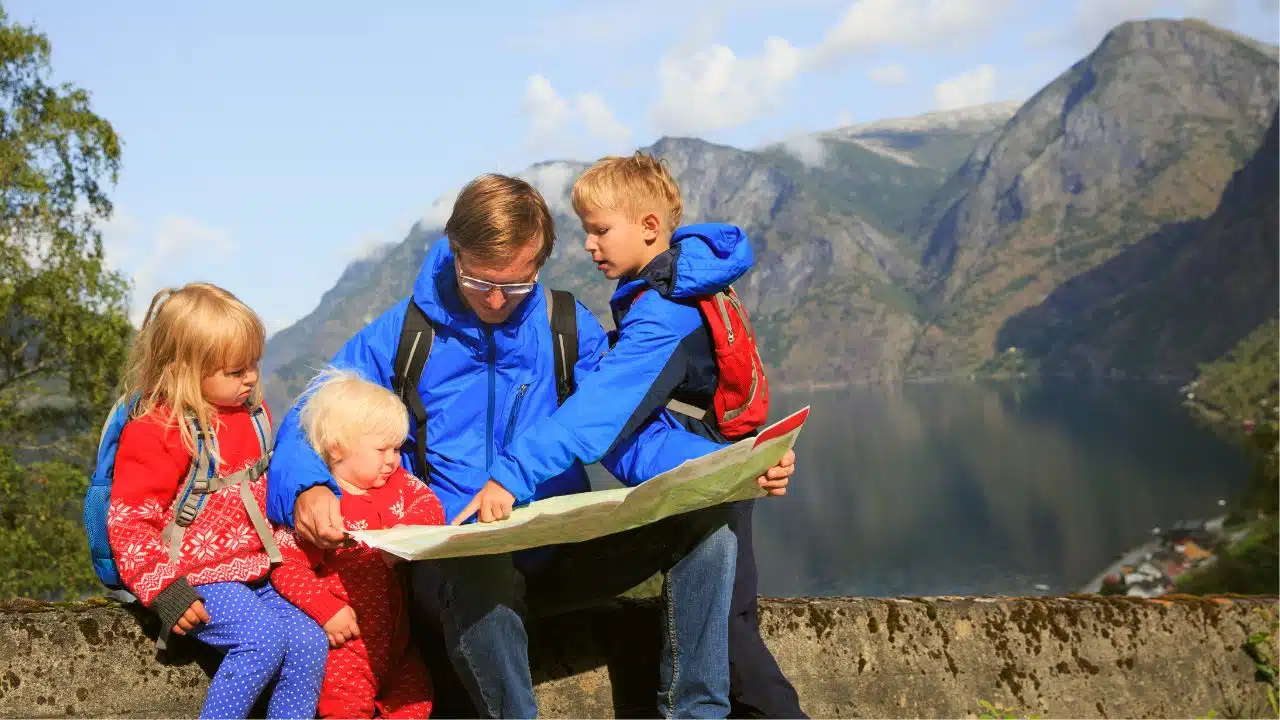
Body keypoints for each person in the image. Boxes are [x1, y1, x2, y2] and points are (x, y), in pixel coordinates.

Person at [265, 173, 795, 718]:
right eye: (478, 281)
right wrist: (306, 486)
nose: (495, 300)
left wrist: (730, 467)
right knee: (480, 566)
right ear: (456, 251)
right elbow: (310, 414)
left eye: (516, 286)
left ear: (538, 264)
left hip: (557, 551)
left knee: (704, 525)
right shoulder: (403, 335)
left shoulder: (566, 327)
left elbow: (629, 438)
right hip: (453, 564)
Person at [466, 151, 806, 718]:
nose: (588, 245)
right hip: (714, 470)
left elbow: (600, 414)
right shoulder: (682, 283)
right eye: (585, 231)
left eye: (599, 230)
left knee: (729, 643)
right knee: (725, 628)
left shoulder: (664, 312)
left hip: (711, 484)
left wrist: (512, 472)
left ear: (650, 228)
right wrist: (742, 464)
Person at [105, 283, 328, 720]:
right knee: (261, 638)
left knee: (310, 641)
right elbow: (129, 522)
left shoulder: (253, 416)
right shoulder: (160, 430)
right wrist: (166, 592)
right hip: (196, 577)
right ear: (184, 370)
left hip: (258, 571)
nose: (249, 378)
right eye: (234, 371)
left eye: (253, 366)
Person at [270, 368, 443, 718]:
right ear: (337, 449)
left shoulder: (397, 484)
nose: (393, 459)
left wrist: (404, 535)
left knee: (418, 703)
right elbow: (286, 565)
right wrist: (325, 608)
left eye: (397, 448)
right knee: (346, 711)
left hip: (397, 643)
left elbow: (431, 507)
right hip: (346, 647)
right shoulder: (323, 508)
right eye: (382, 449)